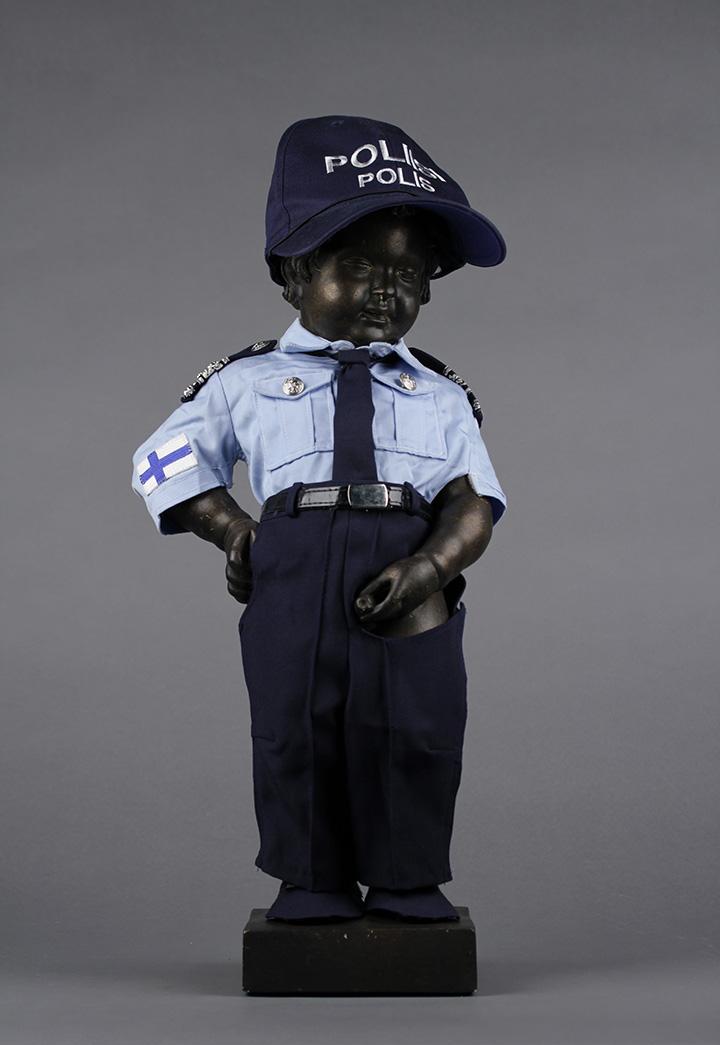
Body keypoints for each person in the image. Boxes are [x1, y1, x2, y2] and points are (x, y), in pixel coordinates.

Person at [131, 115, 507, 923]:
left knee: (415, 723)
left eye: (409, 274)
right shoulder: (246, 381)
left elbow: (473, 500)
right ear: (295, 274)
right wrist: (234, 530)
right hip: (293, 562)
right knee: (295, 724)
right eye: (359, 265)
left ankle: (408, 878)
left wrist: (432, 566)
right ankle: (311, 879)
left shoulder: (439, 395)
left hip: (409, 564)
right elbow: (166, 459)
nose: (386, 289)